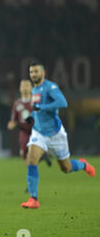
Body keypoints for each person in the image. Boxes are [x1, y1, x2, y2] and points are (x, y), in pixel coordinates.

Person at [21, 64, 96, 209]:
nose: (33, 74)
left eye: (36, 71)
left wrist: (42, 108)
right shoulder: (34, 90)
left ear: (43, 72)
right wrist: (31, 116)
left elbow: (63, 102)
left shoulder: (50, 87)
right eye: (31, 72)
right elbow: (37, 109)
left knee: (66, 168)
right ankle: (33, 199)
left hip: (56, 135)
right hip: (39, 133)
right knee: (32, 160)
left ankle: (83, 165)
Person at [8, 79, 52, 164]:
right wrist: (11, 124)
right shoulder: (17, 104)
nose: (25, 88)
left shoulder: (36, 101)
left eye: (27, 86)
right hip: (24, 131)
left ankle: (40, 157)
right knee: (23, 153)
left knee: (33, 152)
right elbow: (14, 119)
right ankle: (40, 157)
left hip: (36, 131)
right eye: (23, 86)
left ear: (31, 88)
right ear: (20, 89)